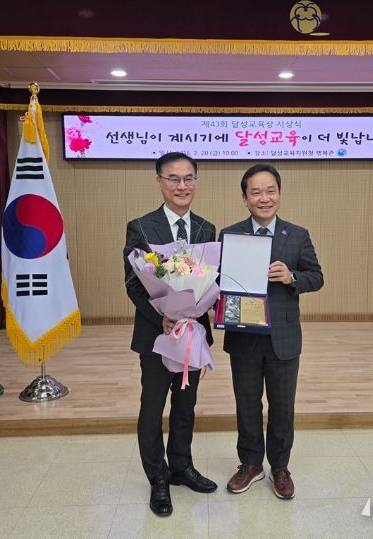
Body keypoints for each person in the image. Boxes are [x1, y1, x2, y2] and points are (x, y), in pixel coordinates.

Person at [220, 163, 323, 500]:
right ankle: (251, 464)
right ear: (245, 198)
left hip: (284, 337)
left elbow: (316, 277)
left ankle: (280, 467)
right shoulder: (230, 235)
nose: (264, 198)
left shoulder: (297, 235)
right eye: (256, 192)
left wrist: (292, 277)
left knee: (282, 407)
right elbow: (219, 281)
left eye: (270, 191)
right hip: (243, 335)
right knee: (247, 404)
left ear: (279, 194)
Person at [123, 152, 218, 517]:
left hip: (192, 334)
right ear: (159, 182)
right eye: (174, 178)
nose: (182, 186)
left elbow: (208, 280)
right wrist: (161, 316)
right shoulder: (141, 227)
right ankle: (158, 478)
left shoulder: (207, 229)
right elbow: (134, 283)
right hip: (156, 335)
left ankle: (181, 466)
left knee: (185, 404)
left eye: (188, 178)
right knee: (152, 406)